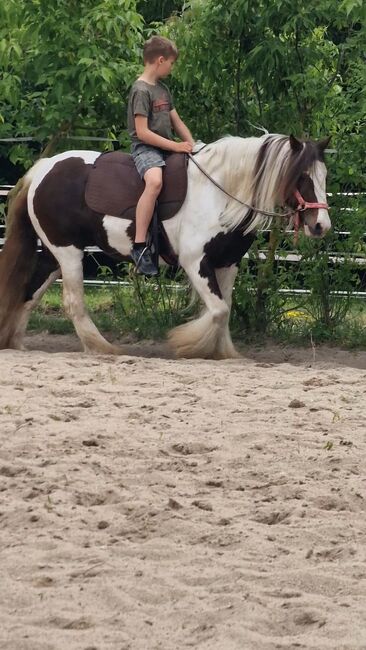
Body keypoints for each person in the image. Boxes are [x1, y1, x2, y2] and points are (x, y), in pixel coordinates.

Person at [127, 35, 194, 276]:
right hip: (146, 149)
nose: (171, 68)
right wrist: (176, 147)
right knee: (155, 181)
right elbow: (143, 133)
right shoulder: (140, 90)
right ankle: (140, 245)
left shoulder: (163, 89)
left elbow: (177, 121)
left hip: (167, 147)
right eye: (171, 63)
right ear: (160, 60)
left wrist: (192, 145)